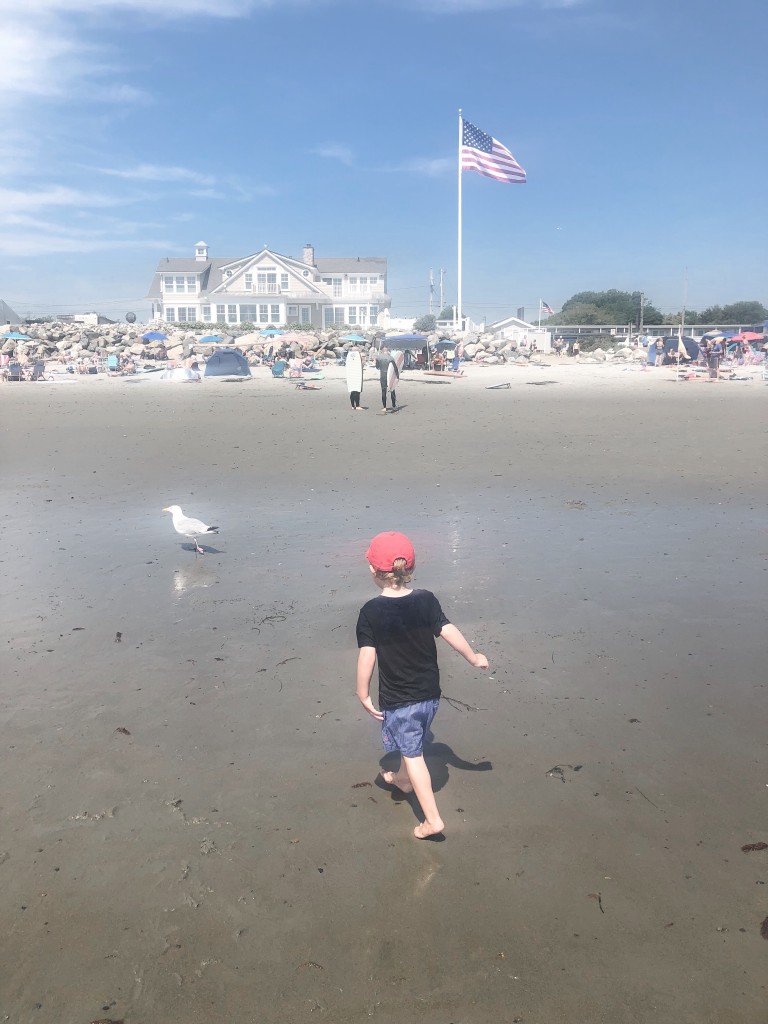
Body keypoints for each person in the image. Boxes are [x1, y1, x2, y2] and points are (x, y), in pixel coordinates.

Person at [355, 531, 489, 840]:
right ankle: (402, 780)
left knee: (414, 754)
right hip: (430, 694)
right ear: (410, 568)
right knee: (410, 741)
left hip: (400, 700)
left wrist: (362, 693)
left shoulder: (371, 612)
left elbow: (367, 657)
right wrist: (473, 657)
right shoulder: (426, 599)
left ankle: (432, 820)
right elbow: (448, 629)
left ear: (373, 571)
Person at [375, 345, 397, 414]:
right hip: (390, 376)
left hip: (383, 376)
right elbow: (395, 368)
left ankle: (384, 407)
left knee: (383, 391)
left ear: (381, 350)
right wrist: (397, 377)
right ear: (387, 350)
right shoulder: (391, 358)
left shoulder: (378, 357)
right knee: (392, 391)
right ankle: (394, 406)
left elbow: (377, 367)